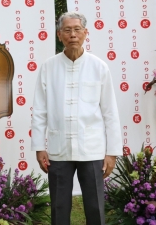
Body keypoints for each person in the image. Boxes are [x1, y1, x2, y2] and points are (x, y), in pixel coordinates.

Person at [31, 12, 122, 225]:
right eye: (67, 30)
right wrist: (39, 146)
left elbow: (110, 112)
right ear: (59, 35)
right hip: (58, 148)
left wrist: (112, 153)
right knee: (59, 206)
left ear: (85, 33)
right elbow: (39, 111)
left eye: (77, 29)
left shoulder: (99, 67)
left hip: (92, 148)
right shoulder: (48, 67)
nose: (73, 34)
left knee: (95, 206)